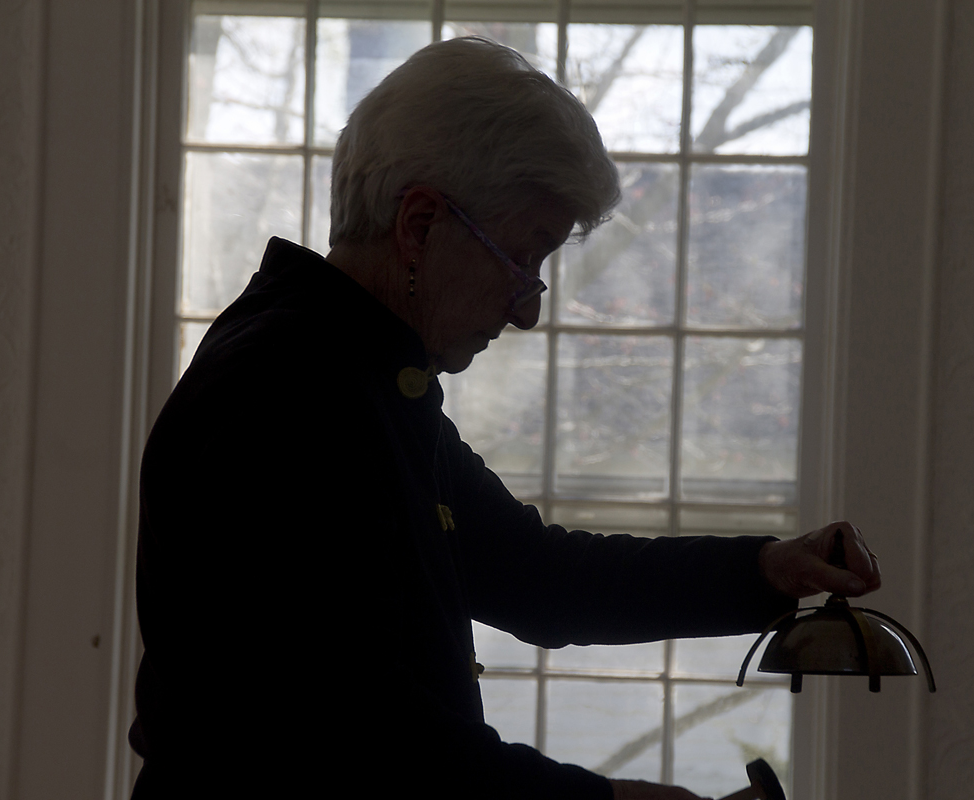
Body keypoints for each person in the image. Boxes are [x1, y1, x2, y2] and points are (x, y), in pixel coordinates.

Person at [128, 36, 880, 799]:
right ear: (419, 226)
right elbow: (357, 732)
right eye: (524, 256)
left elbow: (539, 575)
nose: (527, 308)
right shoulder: (286, 395)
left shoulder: (358, 375)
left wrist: (763, 571)